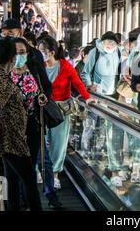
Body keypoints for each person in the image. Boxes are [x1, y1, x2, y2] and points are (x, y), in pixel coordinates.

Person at [0, 37, 42, 211]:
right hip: (12, 140)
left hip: (6, 139)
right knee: (29, 181)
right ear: (12, 59)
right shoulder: (2, 79)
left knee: (11, 180)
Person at [10, 38, 63, 209]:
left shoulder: (33, 65)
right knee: (17, 168)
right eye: (16, 52)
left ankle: (42, 197)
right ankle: (20, 201)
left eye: (22, 52)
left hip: (33, 123)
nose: (20, 55)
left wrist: (43, 97)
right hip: (12, 127)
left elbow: (46, 86)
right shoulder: (4, 70)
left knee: (35, 163)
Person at [38, 36, 94, 190]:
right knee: (41, 141)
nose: (40, 53)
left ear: (52, 51)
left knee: (59, 143)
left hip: (60, 111)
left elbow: (77, 83)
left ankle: (54, 174)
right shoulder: (37, 66)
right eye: (39, 51)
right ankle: (39, 170)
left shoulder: (65, 66)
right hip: (41, 109)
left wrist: (87, 98)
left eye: (43, 51)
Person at [80, 31, 122, 97]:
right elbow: (85, 73)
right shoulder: (95, 52)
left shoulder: (118, 52)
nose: (110, 46)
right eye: (107, 43)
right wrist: (89, 85)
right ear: (102, 42)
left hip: (114, 93)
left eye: (112, 44)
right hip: (98, 93)